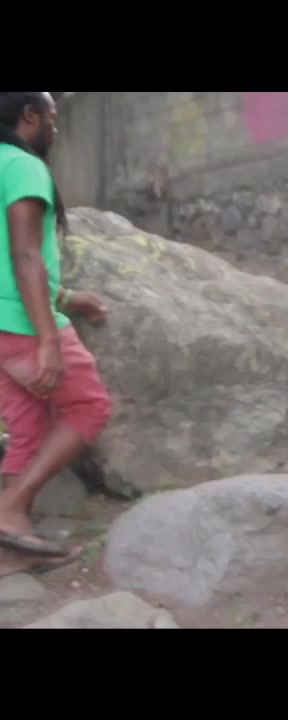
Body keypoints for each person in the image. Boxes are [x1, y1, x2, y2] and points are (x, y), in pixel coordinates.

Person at [0, 92, 113, 577]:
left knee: (27, 427)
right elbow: (24, 256)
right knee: (89, 406)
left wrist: (68, 297)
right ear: (30, 116)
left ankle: (12, 549)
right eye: (53, 116)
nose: (56, 128)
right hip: (21, 324)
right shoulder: (23, 167)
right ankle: (10, 508)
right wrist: (48, 339)